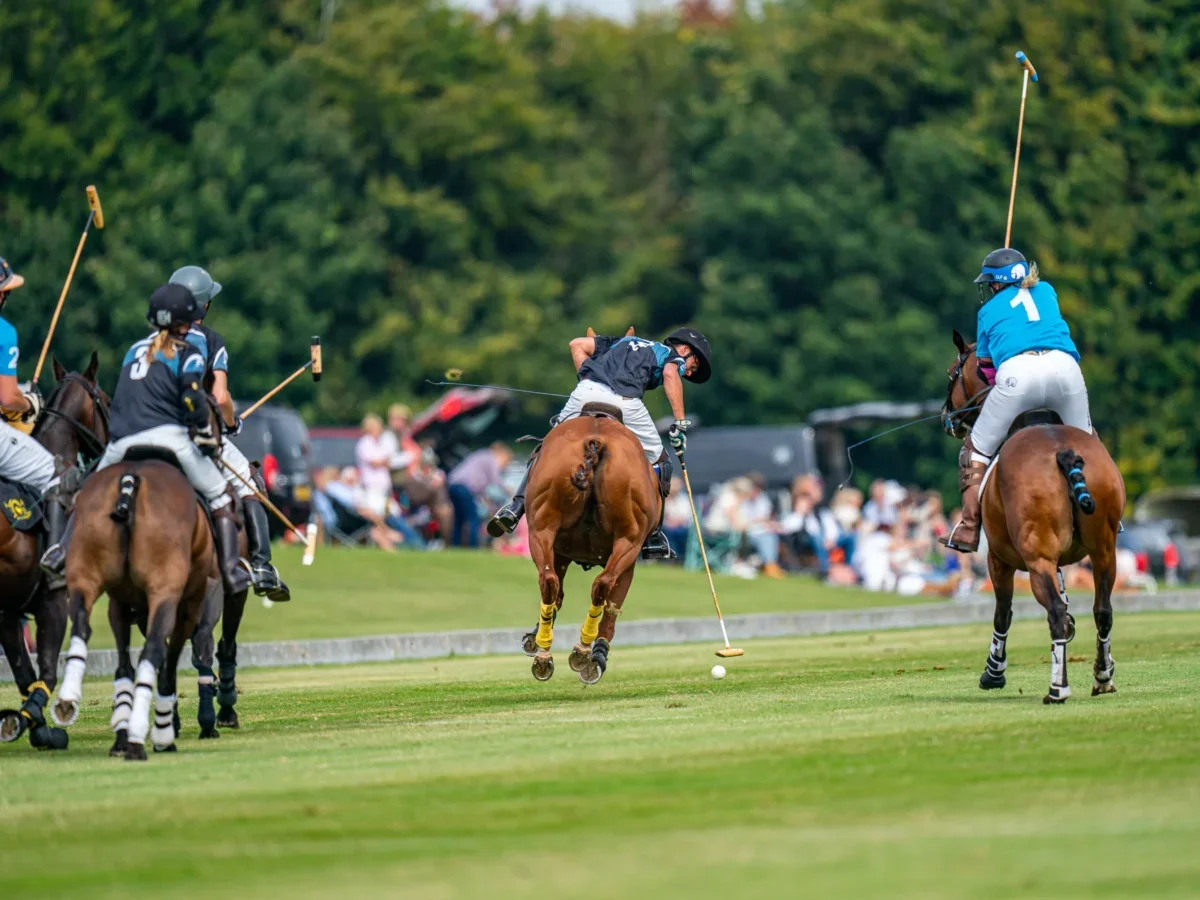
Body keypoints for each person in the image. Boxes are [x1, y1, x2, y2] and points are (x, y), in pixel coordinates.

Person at [44, 284, 244, 589]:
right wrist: (204, 433)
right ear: (185, 321)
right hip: (170, 437)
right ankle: (230, 572)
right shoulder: (188, 351)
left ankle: (60, 552)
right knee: (221, 494)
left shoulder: (135, 350)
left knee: (86, 492)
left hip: (122, 440)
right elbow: (192, 398)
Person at [487, 327, 712, 559]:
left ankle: (515, 508)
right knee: (662, 461)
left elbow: (577, 345)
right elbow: (670, 374)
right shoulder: (670, 355)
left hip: (585, 393)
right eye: (693, 365)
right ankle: (654, 534)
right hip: (626, 402)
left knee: (546, 448)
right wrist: (680, 422)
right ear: (684, 349)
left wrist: (587, 379)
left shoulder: (618, 341)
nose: (689, 372)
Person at [942, 248, 1091, 553]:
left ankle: (969, 528)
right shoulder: (1047, 291)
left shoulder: (987, 311)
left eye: (991, 283)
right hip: (1066, 371)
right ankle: (1109, 517)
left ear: (997, 282)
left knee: (975, 451)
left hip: (1018, 375)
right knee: (1088, 443)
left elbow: (986, 367)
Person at [168, 265, 289, 601]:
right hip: (195, 436)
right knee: (249, 481)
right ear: (204, 305)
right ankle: (262, 566)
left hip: (150, 431)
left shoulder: (152, 341)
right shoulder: (210, 341)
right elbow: (220, 398)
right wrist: (232, 424)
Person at [0, 257, 68, 580]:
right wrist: (27, 403)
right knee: (58, 475)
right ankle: (55, 567)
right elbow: (7, 397)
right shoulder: (4, 332)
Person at [449, 443, 513, 547]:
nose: (505, 466)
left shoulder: (482, 455)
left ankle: (455, 544)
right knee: (472, 518)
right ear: (502, 455)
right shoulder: (490, 457)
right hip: (464, 486)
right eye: (506, 462)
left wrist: (487, 502)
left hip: (454, 484)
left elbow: (480, 486)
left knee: (459, 518)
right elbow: (495, 479)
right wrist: (508, 490)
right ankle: (472, 546)